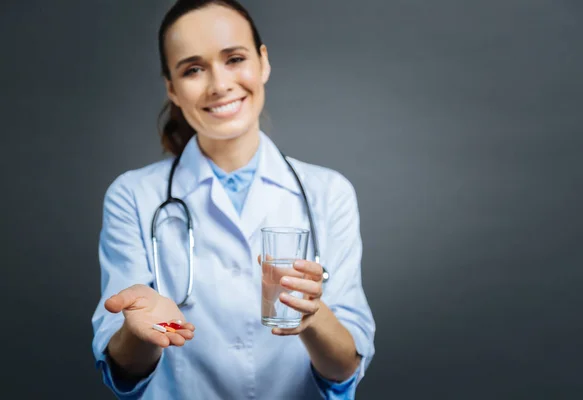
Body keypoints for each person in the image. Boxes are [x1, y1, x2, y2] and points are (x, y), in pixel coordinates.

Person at [91, 1, 375, 398]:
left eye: (234, 58)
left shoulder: (329, 193)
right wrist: (144, 331)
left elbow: (345, 368)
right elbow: (125, 366)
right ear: (172, 88)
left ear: (263, 62)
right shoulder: (134, 196)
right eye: (193, 69)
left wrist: (311, 316)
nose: (219, 84)